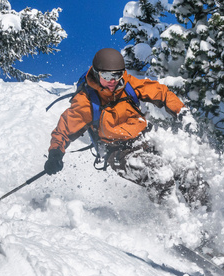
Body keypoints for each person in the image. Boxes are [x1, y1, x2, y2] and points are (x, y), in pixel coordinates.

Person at [44, 48, 209, 208]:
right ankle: (175, 226)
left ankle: (204, 216)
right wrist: (55, 154)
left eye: (117, 75)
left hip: (148, 141)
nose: (112, 81)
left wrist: (182, 112)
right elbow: (64, 129)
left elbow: (161, 92)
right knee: (160, 174)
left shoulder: (128, 85)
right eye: (106, 76)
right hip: (121, 153)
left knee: (189, 171)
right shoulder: (86, 101)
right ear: (95, 73)